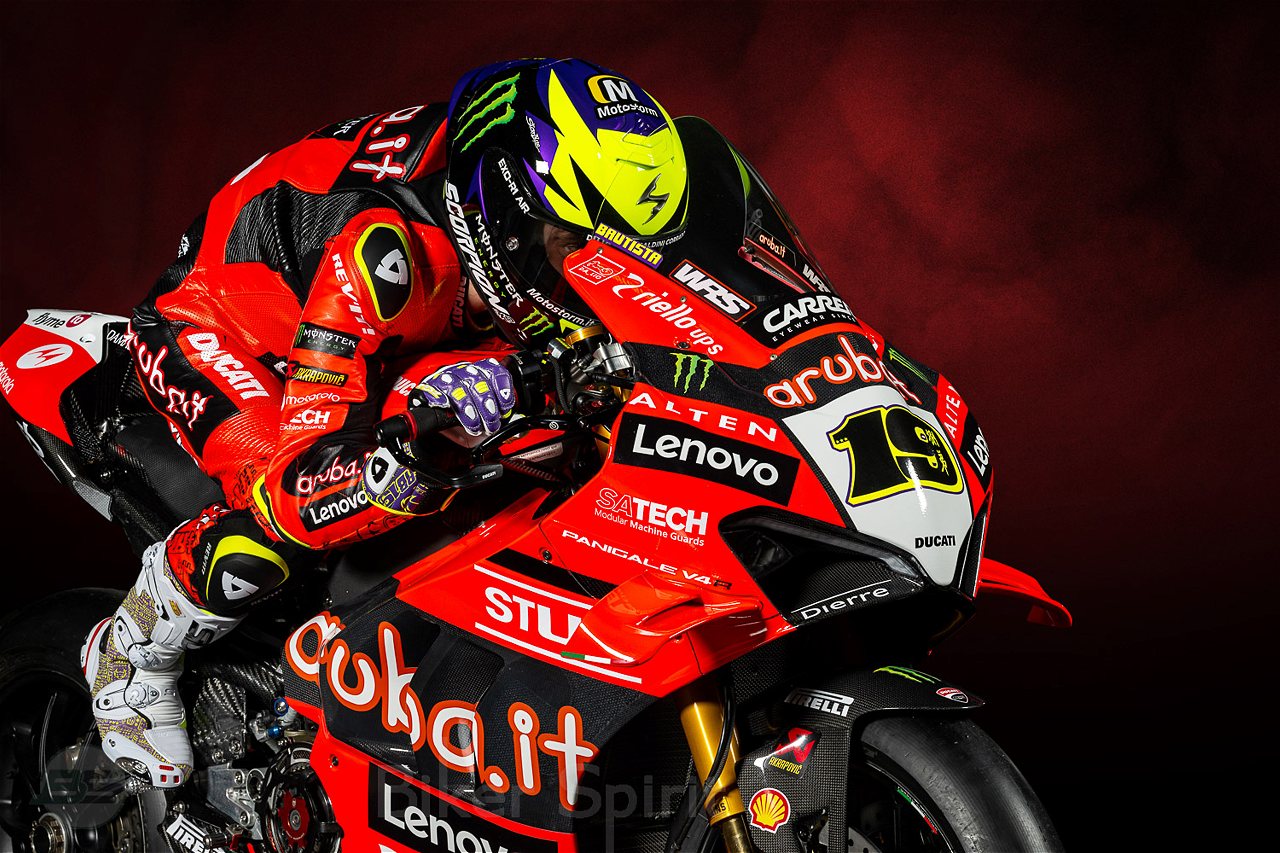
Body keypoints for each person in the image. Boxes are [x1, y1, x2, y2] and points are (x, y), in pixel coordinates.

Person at [81, 57, 690, 787]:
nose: (596, 266)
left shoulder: (511, 208)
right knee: (295, 510)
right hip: (221, 328)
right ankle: (132, 649)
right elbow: (303, 474)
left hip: (399, 332)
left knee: (550, 436)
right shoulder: (381, 251)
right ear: (505, 215)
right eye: (573, 243)